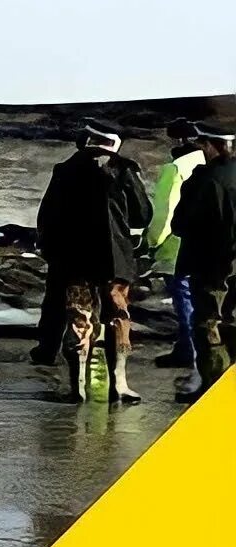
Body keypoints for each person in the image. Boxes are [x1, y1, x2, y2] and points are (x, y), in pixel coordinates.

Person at [36, 119, 152, 404]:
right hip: (116, 263)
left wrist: (52, 253)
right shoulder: (124, 170)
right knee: (118, 319)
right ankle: (119, 385)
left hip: (75, 262)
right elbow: (142, 215)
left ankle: (78, 388)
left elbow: (47, 217)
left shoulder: (65, 170)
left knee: (79, 320)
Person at [170, 123, 236, 404]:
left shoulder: (206, 181)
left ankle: (215, 392)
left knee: (210, 325)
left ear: (211, 146)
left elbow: (181, 225)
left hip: (213, 266)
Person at [144, 119, 207, 393]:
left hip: (176, 249)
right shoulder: (212, 166)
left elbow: (164, 212)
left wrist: (150, 244)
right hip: (207, 248)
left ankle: (192, 358)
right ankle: (183, 350)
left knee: (186, 306)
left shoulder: (176, 169)